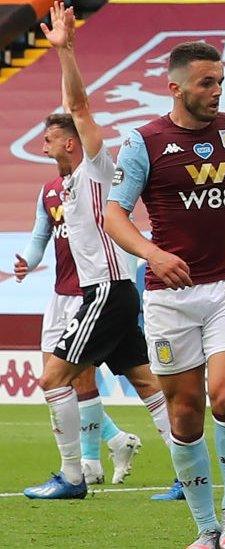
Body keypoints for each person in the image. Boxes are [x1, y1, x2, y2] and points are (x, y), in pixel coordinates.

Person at [105, 40, 225, 549]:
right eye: (206, 83)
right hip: (170, 294)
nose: (216, 92)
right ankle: (206, 528)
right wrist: (153, 254)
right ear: (176, 88)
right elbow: (114, 215)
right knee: (184, 412)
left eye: (220, 82)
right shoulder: (142, 142)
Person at [22, 3, 173, 502]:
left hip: (106, 291)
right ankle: (187, 472)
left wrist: (66, 50)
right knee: (148, 384)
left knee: (55, 377)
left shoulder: (95, 167)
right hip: (114, 292)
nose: (44, 145)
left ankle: (71, 477)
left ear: (71, 144)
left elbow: (80, 108)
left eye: (51, 139)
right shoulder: (62, 184)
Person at [15, 171, 145, 488]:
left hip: (89, 293)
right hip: (59, 295)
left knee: (81, 379)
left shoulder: (98, 182)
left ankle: (89, 464)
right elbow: (39, 239)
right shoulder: (49, 191)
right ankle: (115, 440)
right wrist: (27, 264)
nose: (46, 147)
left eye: (52, 139)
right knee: (54, 380)